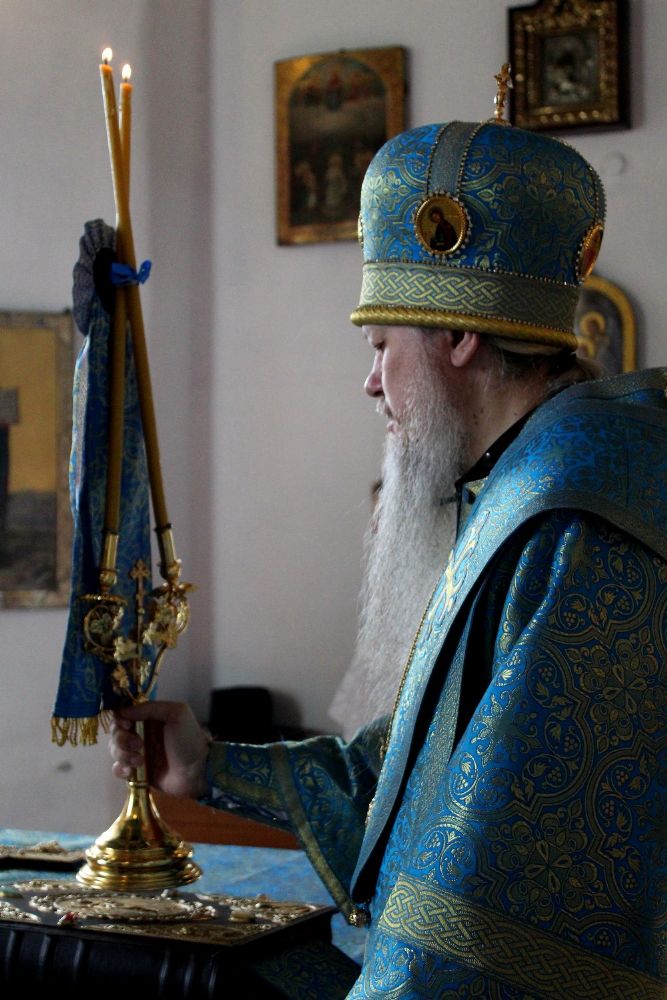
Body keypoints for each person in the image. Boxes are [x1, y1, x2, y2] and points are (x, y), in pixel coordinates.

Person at [109, 74, 666, 998]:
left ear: (456, 337)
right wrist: (215, 767)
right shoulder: (520, 485)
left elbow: (484, 910)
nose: (371, 383)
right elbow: (411, 789)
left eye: (379, 345)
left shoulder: (575, 524)